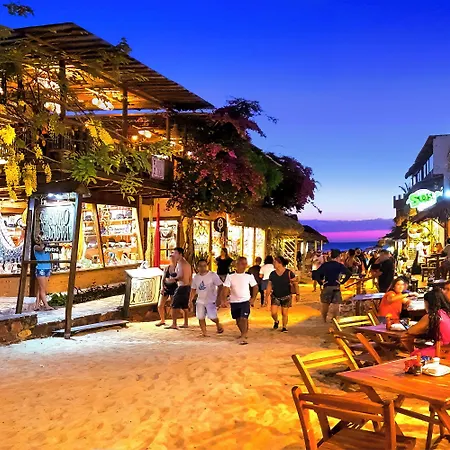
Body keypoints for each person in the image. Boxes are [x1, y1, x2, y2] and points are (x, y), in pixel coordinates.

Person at [404, 287, 450, 357]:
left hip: (442, 350)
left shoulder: (433, 316)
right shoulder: (447, 313)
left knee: (415, 354)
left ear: (428, 303)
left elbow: (411, 331)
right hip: (446, 348)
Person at [222, 257, 258, 345]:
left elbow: (255, 287)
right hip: (234, 301)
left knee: (243, 318)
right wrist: (224, 300)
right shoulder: (230, 275)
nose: (244, 266)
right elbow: (225, 288)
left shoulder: (249, 275)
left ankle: (243, 336)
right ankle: (243, 332)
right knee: (238, 320)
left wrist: (253, 298)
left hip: (245, 300)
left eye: (245, 263)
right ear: (237, 264)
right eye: (242, 263)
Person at [315, 249, 352, 323]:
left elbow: (316, 274)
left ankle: (324, 319)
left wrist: (321, 282)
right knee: (336, 304)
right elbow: (349, 273)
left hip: (327, 286)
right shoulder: (339, 265)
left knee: (325, 304)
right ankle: (334, 320)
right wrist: (342, 281)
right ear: (338, 256)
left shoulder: (325, 265)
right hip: (336, 286)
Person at [190, 259, 224, 337]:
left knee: (212, 317)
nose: (203, 268)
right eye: (200, 266)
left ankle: (218, 324)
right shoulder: (196, 277)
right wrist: (190, 300)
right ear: (197, 267)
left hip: (211, 300)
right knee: (200, 316)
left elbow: (220, 285)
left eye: (204, 266)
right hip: (200, 300)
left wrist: (219, 297)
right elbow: (193, 289)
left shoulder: (212, 275)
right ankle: (204, 332)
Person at [266, 256, 296, 332]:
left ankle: (284, 327)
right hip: (275, 295)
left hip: (286, 295)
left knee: (284, 313)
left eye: (275, 262)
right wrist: (267, 296)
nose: (273, 264)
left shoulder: (289, 273)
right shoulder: (272, 274)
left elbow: (295, 283)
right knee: (273, 313)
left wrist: (298, 294)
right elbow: (269, 285)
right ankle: (276, 321)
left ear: (280, 263)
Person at [165, 247, 192, 330]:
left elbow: (180, 276)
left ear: (180, 254)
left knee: (174, 305)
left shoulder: (181, 263)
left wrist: (172, 279)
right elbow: (190, 276)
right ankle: (186, 323)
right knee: (184, 306)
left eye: (175, 253)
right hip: (187, 286)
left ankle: (174, 324)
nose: (174, 255)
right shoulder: (186, 263)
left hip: (181, 287)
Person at [154, 254, 177, 327]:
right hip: (166, 287)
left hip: (174, 287)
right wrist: (162, 288)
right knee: (160, 305)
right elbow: (163, 279)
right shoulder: (166, 268)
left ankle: (174, 322)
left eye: (173, 258)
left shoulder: (178, 268)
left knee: (174, 306)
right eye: (171, 258)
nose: (172, 260)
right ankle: (162, 320)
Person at [34, 235, 54, 311]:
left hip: (47, 268)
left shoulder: (48, 247)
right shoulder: (36, 247)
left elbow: (50, 256)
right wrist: (43, 242)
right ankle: (46, 305)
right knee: (42, 289)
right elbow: (41, 249)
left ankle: (37, 305)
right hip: (41, 268)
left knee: (41, 288)